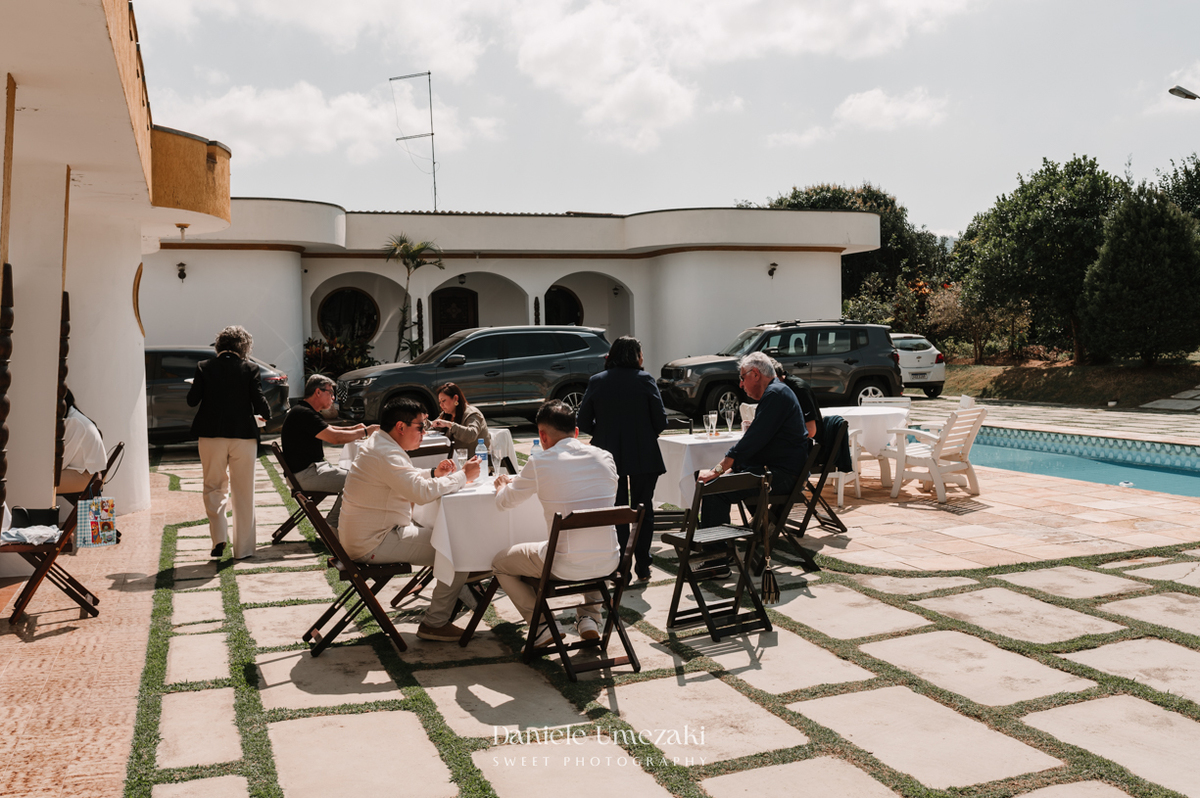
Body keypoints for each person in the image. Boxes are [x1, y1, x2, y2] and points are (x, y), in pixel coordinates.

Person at [338, 397, 481, 642]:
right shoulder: (385, 453)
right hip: (374, 542)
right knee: (457, 548)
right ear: (400, 427)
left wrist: (434, 473)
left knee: (450, 538)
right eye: (420, 426)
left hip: (367, 536)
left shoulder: (380, 444)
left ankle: (464, 595)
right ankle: (436, 622)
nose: (424, 433)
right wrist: (462, 477)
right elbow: (421, 493)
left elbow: (405, 479)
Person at [492, 400, 619, 646]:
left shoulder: (540, 462)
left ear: (542, 435)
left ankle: (541, 625)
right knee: (593, 541)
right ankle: (590, 619)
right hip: (609, 560)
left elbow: (504, 503)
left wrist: (501, 486)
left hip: (562, 565)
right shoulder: (606, 457)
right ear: (577, 432)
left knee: (499, 564)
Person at [576, 336, 666, 582]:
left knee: (616, 511)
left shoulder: (597, 381)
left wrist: (604, 433)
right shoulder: (645, 380)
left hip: (607, 455)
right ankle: (643, 565)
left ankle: (619, 566)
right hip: (643, 452)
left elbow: (582, 421)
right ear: (636, 356)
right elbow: (661, 420)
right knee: (643, 509)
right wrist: (645, 433)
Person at [697, 351, 810, 526]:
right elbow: (757, 443)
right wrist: (726, 470)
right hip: (777, 470)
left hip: (783, 475)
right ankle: (758, 527)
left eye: (742, 378)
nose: (741, 385)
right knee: (716, 481)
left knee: (715, 488)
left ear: (756, 374)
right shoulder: (777, 391)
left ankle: (717, 550)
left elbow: (751, 442)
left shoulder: (775, 394)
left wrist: (717, 470)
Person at [188, 326, 271, 559]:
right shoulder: (251, 368)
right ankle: (243, 550)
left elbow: (192, 401)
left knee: (214, 487)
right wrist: (266, 414)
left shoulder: (204, 367)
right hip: (244, 436)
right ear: (244, 348)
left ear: (219, 345)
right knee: (244, 492)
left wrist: (200, 385)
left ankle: (219, 538)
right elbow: (260, 402)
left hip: (211, 436)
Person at [280, 374, 378, 529]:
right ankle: (332, 525)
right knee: (358, 480)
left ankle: (338, 523)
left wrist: (353, 428)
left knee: (357, 476)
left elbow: (330, 429)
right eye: (330, 393)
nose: (333, 398)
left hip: (308, 470)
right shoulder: (304, 414)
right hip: (305, 475)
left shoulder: (304, 411)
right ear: (318, 392)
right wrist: (365, 432)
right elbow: (335, 438)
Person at [57, 388, 108, 495]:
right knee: (41, 480)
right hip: (87, 472)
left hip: (90, 476)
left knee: (43, 483)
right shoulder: (74, 417)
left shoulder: (74, 422)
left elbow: (62, 461)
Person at [429, 382, 491, 450]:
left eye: (443, 401)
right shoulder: (446, 414)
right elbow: (433, 427)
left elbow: (471, 435)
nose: (441, 405)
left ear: (455, 398)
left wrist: (450, 425)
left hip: (474, 458)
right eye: (440, 402)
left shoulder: (472, 413)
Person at [772, 361, 821, 442]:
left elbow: (810, 431)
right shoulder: (777, 390)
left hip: (808, 446)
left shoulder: (799, 389)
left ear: (774, 376)